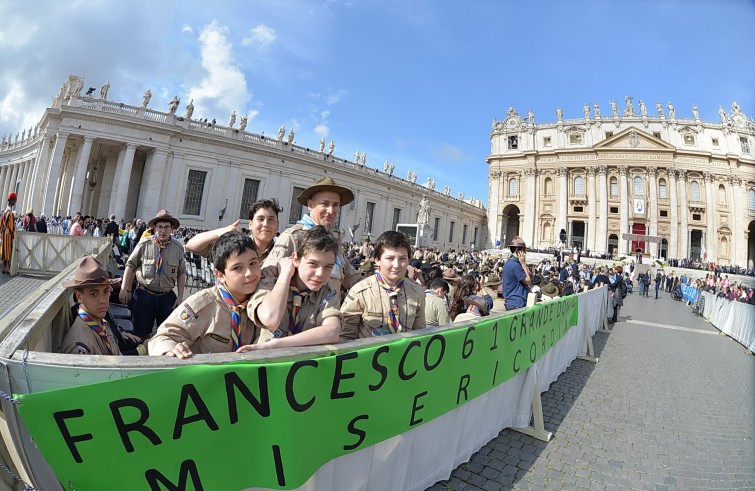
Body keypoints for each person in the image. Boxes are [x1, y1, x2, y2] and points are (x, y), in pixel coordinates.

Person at [148, 232, 262, 358]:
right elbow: (161, 338)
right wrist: (171, 349)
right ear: (220, 275)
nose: (249, 273)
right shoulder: (205, 304)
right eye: (237, 268)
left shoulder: (262, 301)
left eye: (253, 263)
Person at [239, 226, 342, 351]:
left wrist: (277, 344)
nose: (320, 273)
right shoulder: (272, 279)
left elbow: (332, 331)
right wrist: (284, 275)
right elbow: (271, 319)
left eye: (328, 267)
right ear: (296, 259)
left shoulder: (326, 290)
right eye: (313, 264)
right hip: (265, 362)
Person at [263, 177, 361, 296]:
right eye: (325, 204)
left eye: (336, 205)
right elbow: (267, 276)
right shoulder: (294, 237)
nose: (331, 210)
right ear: (310, 205)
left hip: (331, 309)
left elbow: (349, 276)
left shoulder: (333, 239)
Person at [340, 231, 426, 340]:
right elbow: (346, 336)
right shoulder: (360, 292)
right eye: (390, 258)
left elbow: (420, 335)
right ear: (377, 260)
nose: (396, 265)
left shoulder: (417, 293)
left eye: (402, 259)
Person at [119, 210, 186, 340]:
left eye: (167, 227)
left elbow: (181, 273)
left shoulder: (178, 248)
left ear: (172, 229)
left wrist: (180, 297)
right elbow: (130, 265)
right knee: (141, 333)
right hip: (144, 295)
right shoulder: (144, 244)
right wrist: (124, 289)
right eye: (160, 226)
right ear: (154, 228)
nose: (163, 230)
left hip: (166, 297)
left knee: (167, 334)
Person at [187, 198, 282, 264]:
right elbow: (192, 245)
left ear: (277, 225)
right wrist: (222, 231)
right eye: (260, 219)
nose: (266, 224)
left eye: (271, 219)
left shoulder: (285, 252)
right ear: (250, 224)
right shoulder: (235, 247)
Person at [61, 256, 124, 355]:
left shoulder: (102, 325)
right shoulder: (79, 344)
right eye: (94, 294)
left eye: (106, 291)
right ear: (79, 296)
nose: (102, 300)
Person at [502, 236, 531, 310]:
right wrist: (523, 264)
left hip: (511, 302)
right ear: (518, 251)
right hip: (516, 302)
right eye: (524, 250)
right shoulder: (515, 265)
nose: (525, 253)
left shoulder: (508, 262)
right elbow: (528, 281)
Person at [1, 192, 17, 274]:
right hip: (8, 234)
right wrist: (13, 233)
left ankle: (3, 268)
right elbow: (11, 226)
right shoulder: (10, 214)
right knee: (8, 251)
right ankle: (7, 269)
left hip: (3, 234)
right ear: (12, 201)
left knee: (4, 251)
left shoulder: (3, 213)